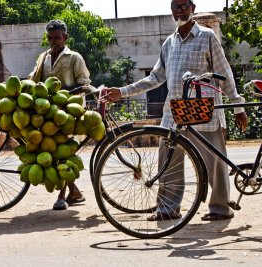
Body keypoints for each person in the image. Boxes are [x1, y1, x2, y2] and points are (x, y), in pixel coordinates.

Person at [104, 0, 248, 221]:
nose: (179, 10)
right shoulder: (169, 43)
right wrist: (122, 92)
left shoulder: (207, 37)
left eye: (183, 6)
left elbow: (224, 73)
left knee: (215, 162)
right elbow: (156, 77)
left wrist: (238, 105)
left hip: (203, 111)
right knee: (168, 160)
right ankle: (168, 208)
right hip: (173, 113)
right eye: (175, 6)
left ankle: (220, 208)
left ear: (193, 8)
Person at [28, 19, 90, 210]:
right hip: (47, 113)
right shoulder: (43, 58)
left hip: (68, 112)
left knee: (62, 152)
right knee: (52, 151)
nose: (53, 41)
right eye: (50, 38)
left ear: (65, 38)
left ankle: (62, 196)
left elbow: (85, 84)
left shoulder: (74, 58)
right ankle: (74, 192)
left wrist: (65, 95)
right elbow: (34, 79)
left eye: (57, 38)